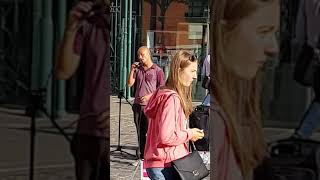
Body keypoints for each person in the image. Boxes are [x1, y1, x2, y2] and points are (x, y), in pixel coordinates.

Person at [209, 0, 279, 179]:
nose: (274, 48)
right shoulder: (218, 120)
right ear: (224, 33)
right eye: (263, 32)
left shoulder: (239, 107)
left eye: (275, 33)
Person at [54, 0, 110, 179]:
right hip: (88, 130)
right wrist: (71, 29)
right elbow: (63, 71)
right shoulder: (89, 24)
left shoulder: (120, 25)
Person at [143, 50, 205, 180]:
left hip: (160, 162)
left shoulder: (161, 92)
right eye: (192, 71)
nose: (195, 76)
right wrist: (189, 134)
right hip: (167, 164)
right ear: (179, 70)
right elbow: (166, 136)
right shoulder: (172, 99)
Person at [127, 46, 165, 159]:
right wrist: (132, 70)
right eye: (139, 55)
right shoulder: (138, 69)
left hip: (151, 106)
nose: (140, 57)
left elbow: (162, 89)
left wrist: (150, 96)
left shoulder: (158, 71)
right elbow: (129, 84)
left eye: (142, 55)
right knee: (140, 131)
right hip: (137, 105)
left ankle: (151, 152)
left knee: (151, 131)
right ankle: (142, 153)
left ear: (148, 54)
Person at [291, 0, 320, 139]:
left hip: (313, 51)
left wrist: (300, 44)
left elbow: (300, 27)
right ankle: (302, 133)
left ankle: (302, 133)